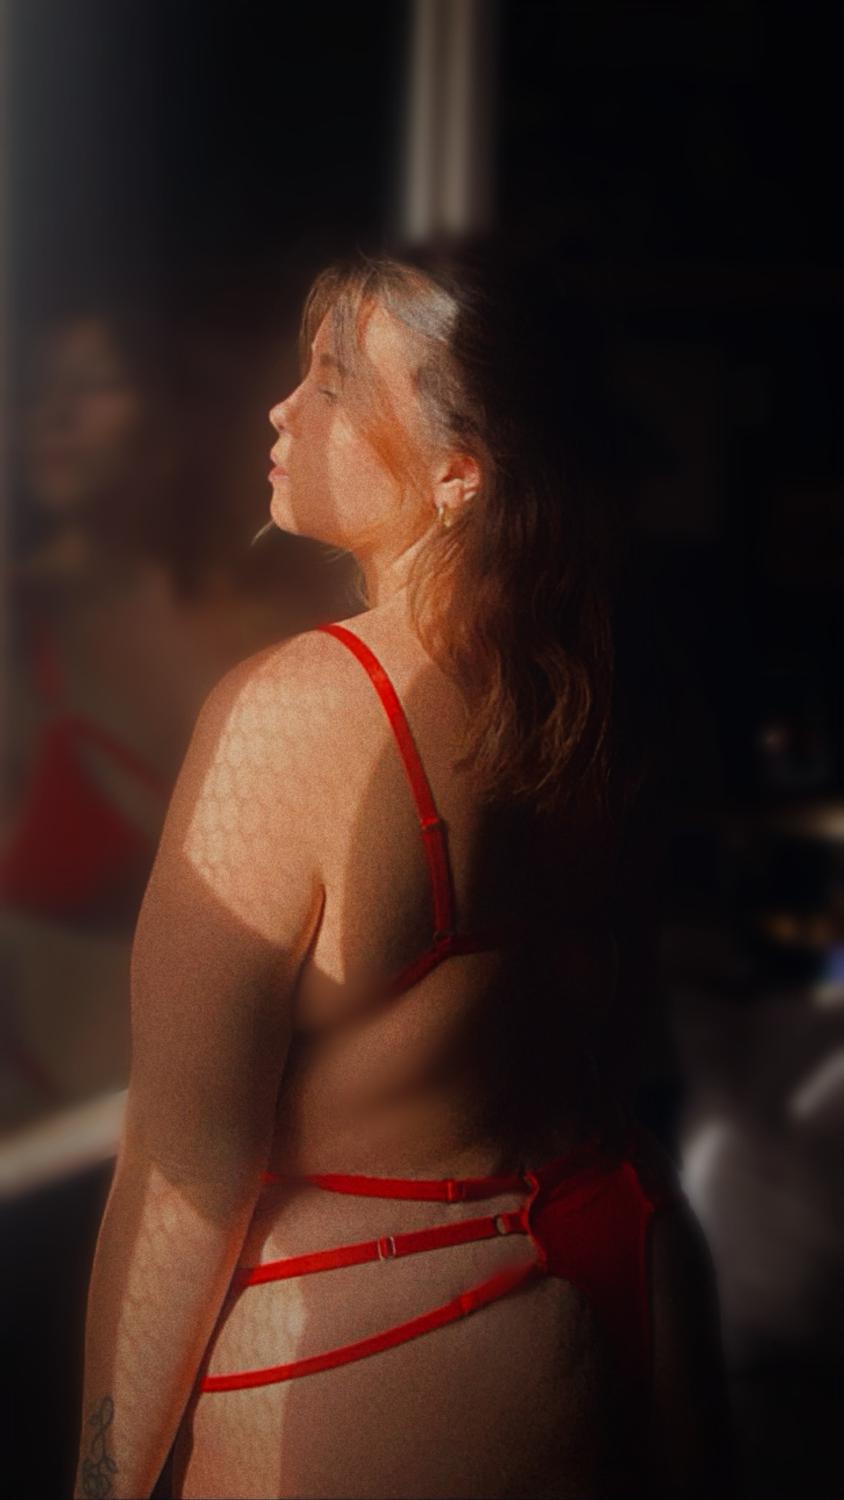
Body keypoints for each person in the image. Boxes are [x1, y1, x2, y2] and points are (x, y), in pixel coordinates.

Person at [73, 244, 737, 1499]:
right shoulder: (601, 681)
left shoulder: (307, 711)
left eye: (332, 385)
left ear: (456, 472)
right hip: (614, 1314)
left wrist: (101, 1482)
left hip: (393, 1344)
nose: (282, 411)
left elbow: (183, 1171)